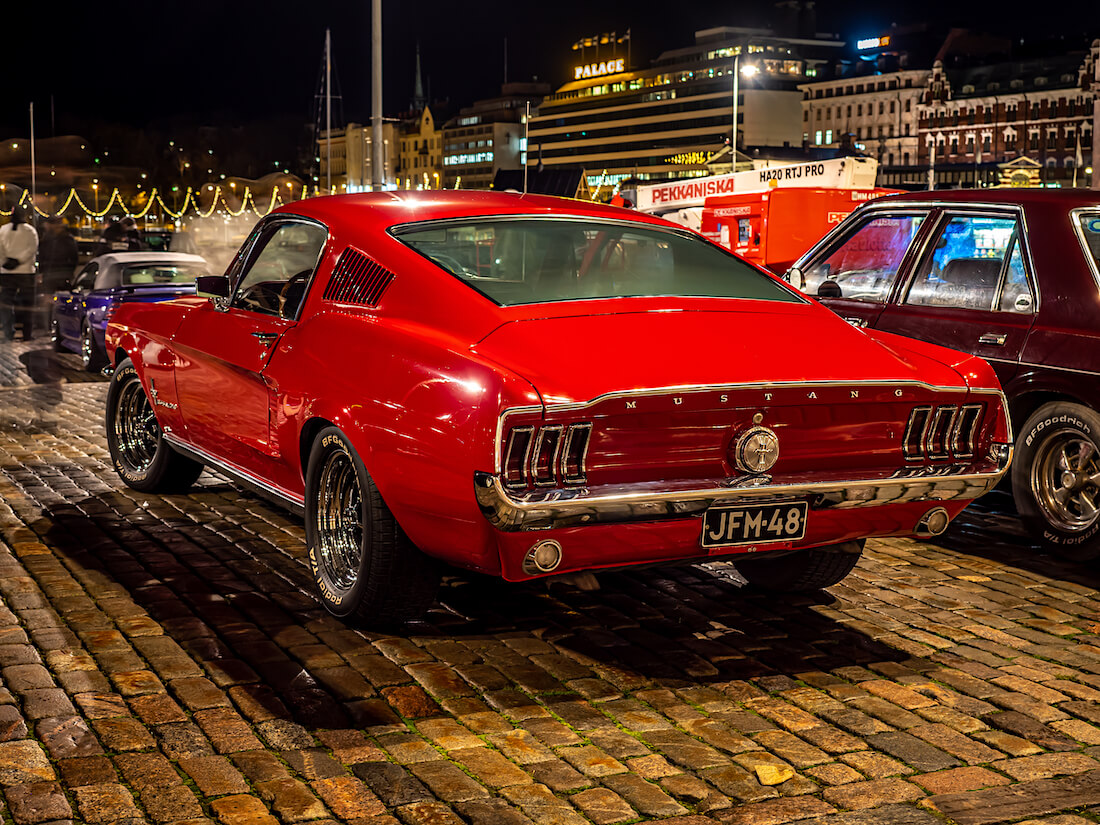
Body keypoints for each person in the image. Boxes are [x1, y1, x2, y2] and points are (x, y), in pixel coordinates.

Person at [0, 204, 40, 340]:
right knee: (28, 304)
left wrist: (5, 262)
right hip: (26, 272)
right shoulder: (30, 231)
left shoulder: (3, 230)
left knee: (6, 304)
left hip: (6, 272)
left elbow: (0, 250)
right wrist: (19, 261)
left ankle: (8, 332)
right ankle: (27, 333)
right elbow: (32, 249)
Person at [37, 216, 78, 294]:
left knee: (55, 298)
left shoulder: (65, 239)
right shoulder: (49, 239)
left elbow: (73, 257)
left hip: (58, 275)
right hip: (54, 275)